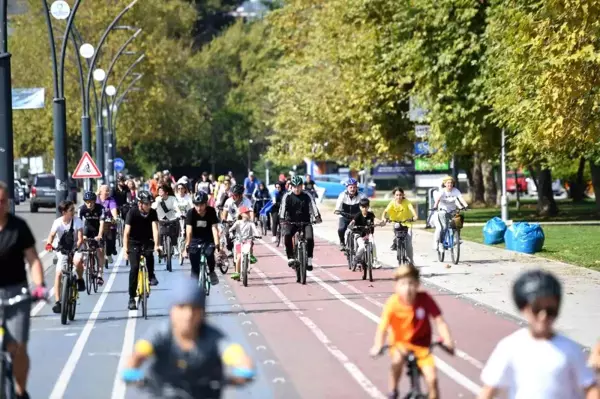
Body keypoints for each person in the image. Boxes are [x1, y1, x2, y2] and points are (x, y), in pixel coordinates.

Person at [120, 277, 255, 398]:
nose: (188, 315)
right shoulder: (160, 334)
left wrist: (244, 370)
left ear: (203, 312)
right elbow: (139, 354)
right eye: (182, 307)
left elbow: (234, 353)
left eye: (195, 308)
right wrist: (131, 370)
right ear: (171, 310)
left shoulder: (213, 338)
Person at [479, 270, 599, 399]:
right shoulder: (510, 347)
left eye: (551, 310)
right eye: (536, 309)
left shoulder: (570, 350)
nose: (543, 316)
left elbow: (590, 388)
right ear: (523, 308)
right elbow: (489, 389)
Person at [369, 264, 455, 399]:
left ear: (417, 284)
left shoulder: (425, 299)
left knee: (432, 379)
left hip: (422, 346)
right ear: (396, 286)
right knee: (397, 362)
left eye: (411, 283)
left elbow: (439, 321)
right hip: (400, 344)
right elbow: (383, 327)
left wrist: (448, 340)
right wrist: (378, 345)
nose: (407, 288)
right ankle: (393, 390)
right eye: (403, 284)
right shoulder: (392, 303)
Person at [0, 181, 46, 399]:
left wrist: (39, 286)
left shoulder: (18, 227)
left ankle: (19, 391)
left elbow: (34, 260)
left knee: (18, 347)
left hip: (16, 294)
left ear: (7, 203)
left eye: (1, 201)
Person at [45, 200, 85, 314]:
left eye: (74, 209)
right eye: (71, 210)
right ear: (64, 212)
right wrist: (49, 245)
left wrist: (76, 248)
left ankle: (80, 279)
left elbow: (80, 238)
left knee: (77, 262)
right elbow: (51, 236)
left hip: (75, 247)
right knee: (58, 274)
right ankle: (58, 302)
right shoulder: (57, 222)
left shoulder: (77, 221)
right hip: (62, 250)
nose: (74, 212)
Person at [124, 191, 161, 310]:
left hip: (147, 240)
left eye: (150, 203)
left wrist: (157, 245)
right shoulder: (132, 212)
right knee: (134, 268)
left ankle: (151, 275)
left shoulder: (153, 213)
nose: (149, 206)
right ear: (140, 204)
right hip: (133, 242)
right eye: (147, 204)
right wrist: (125, 249)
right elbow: (126, 233)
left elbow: (155, 229)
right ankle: (131, 298)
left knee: (149, 255)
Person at [279, 176, 321, 269]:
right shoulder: (287, 196)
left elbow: (313, 206)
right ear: (291, 187)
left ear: (302, 186)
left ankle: (309, 259)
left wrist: (317, 216)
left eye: (299, 186)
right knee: (287, 234)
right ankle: (290, 257)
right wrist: (282, 219)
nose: (297, 189)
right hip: (291, 222)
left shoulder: (307, 195)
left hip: (306, 222)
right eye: (295, 186)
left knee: (309, 238)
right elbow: (282, 209)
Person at [182, 192, 220, 285]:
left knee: (210, 254)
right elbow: (189, 231)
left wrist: (217, 244)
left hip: (208, 238)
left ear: (206, 204)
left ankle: (211, 271)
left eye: (201, 205)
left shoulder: (211, 211)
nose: (199, 208)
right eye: (196, 205)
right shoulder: (190, 213)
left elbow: (214, 228)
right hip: (194, 239)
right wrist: (186, 246)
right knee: (194, 266)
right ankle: (194, 284)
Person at [382, 187, 418, 264]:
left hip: (407, 224)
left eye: (400, 195)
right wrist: (383, 218)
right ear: (394, 196)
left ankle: (411, 260)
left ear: (403, 195)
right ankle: (396, 243)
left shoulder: (407, 202)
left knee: (408, 244)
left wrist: (414, 217)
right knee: (395, 233)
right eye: (397, 195)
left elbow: (413, 212)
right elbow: (385, 212)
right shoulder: (392, 203)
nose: (398, 197)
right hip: (396, 223)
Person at [431, 175, 467, 252]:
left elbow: (461, 199)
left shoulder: (455, 190)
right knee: (443, 227)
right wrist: (435, 206)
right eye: (448, 183)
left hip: (452, 210)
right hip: (443, 211)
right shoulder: (442, 191)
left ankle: (456, 239)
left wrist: (465, 206)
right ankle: (440, 244)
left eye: (451, 183)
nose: (450, 184)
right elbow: (437, 200)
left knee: (457, 224)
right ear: (444, 184)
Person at [348, 198, 385, 270]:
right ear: (360, 207)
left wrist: (381, 222)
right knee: (361, 247)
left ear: (368, 207)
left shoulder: (371, 214)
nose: (364, 209)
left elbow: (375, 219)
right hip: (359, 234)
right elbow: (353, 221)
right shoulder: (358, 215)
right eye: (363, 207)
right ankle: (357, 258)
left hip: (368, 233)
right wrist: (351, 225)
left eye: (366, 207)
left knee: (373, 243)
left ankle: (375, 261)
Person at [79, 192, 106, 286]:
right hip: (87, 230)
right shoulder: (82, 209)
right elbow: (79, 223)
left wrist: (99, 235)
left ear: (95, 201)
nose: (89, 204)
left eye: (91, 202)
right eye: (87, 202)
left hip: (98, 230)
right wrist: (81, 235)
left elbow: (102, 223)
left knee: (100, 251)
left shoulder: (100, 209)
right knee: (82, 243)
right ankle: (86, 260)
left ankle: (100, 273)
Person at [229, 206, 261, 281]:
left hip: (247, 240)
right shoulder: (238, 222)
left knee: (250, 245)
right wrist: (231, 235)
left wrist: (257, 235)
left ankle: (250, 256)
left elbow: (255, 230)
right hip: (238, 241)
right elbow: (231, 230)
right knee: (239, 256)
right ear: (241, 214)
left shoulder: (250, 223)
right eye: (246, 212)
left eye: (248, 212)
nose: (248, 214)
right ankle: (237, 272)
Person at [334, 178, 366, 250]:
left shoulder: (362, 196)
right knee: (341, 229)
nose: (352, 189)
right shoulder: (342, 195)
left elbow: (366, 206)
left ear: (357, 188)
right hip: (344, 216)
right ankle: (342, 242)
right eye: (351, 187)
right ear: (347, 187)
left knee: (364, 229)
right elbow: (338, 206)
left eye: (354, 187)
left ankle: (362, 245)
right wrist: (337, 210)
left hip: (357, 217)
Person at [97, 184, 119, 265]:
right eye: (106, 190)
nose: (108, 192)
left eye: (108, 190)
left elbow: (113, 209)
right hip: (98, 222)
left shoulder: (111, 200)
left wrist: (115, 217)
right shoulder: (96, 199)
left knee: (110, 239)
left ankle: (109, 253)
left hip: (109, 222)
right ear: (100, 192)